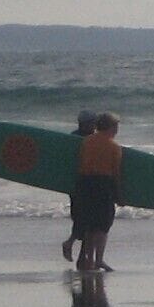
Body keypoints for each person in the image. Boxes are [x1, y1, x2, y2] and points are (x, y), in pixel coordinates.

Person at [75, 112, 123, 272]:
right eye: (116, 126)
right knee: (103, 226)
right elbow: (115, 173)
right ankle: (99, 260)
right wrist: (118, 195)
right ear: (111, 127)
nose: (117, 130)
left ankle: (89, 259)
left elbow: (80, 163)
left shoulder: (86, 142)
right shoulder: (114, 147)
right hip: (103, 184)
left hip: (85, 183)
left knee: (90, 225)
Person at [61, 109, 97, 262]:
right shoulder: (74, 139)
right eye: (92, 123)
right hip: (79, 184)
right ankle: (70, 243)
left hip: (91, 183)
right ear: (84, 123)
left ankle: (84, 256)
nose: (94, 125)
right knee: (82, 218)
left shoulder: (93, 138)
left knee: (91, 221)